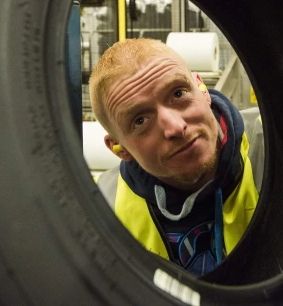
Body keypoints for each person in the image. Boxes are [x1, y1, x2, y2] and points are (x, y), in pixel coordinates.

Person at [91, 38, 264, 278]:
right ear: (120, 149)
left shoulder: (277, 148)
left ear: (202, 90)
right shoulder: (103, 210)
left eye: (178, 93)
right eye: (140, 120)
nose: (174, 127)